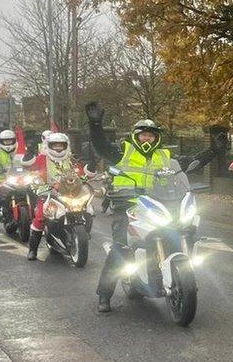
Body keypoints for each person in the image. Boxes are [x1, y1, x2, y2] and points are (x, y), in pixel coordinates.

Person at [84, 101, 225, 313]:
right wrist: (95, 125)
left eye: (151, 135)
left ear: (156, 137)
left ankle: (173, 274)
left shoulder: (165, 156)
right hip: (128, 206)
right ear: (137, 136)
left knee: (183, 229)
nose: (147, 138)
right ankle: (104, 294)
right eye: (144, 135)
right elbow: (102, 147)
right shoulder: (123, 151)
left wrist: (213, 151)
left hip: (159, 205)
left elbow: (188, 164)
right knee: (120, 250)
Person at [26, 132, 84, 260]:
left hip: (68, 192)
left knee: (85, 208)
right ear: (49, 145)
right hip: (47, 192)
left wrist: (87, 171)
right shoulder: (42, 158)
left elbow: (81, 172)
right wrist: (28, 156)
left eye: (61, 145)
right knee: (41, 217)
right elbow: (29, 166)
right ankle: (32, 249)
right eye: (55, 145)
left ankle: (77, 234)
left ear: (66, 146)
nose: (58, 148)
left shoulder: (70, 159)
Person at [0, 130, 35, 238]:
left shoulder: (20, 149)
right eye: (5, 141)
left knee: (36, 194)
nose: (7, 143)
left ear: (14, 140)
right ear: (1, 141)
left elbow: (28, 160)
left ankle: (40, 225)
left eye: (9, 141)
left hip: (21, 177)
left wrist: (34, 168)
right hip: (2, 179)